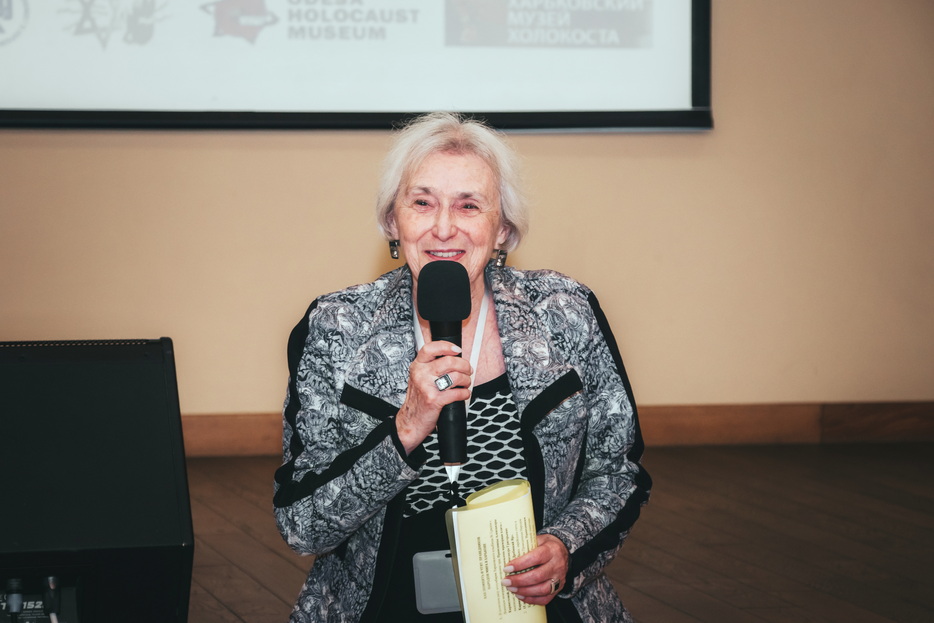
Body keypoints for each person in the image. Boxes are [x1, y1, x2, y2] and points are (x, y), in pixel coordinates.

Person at [274, 112, 651, 622]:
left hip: (537, 603)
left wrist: (566, 547)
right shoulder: (336, 327)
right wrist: (405, 428)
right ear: (393, 222)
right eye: (422, 202)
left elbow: (618, 470)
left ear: (503, 230)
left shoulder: (565, 311)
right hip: (383, 606)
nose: (444, 227)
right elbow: (302, 524)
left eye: (469, 205)